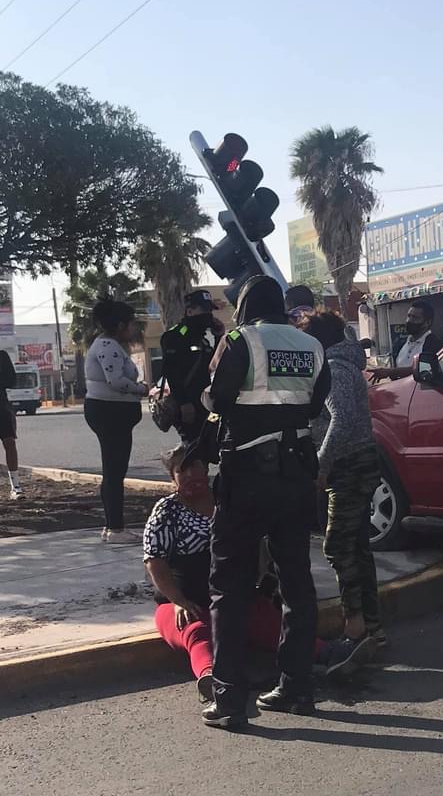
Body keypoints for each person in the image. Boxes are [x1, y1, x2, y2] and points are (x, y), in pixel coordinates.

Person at [199, 275, 330, 731]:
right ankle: (297, 687)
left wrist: (208, 397)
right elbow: (315, 406)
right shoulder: (310, 345)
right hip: (296, 474)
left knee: (229, 583)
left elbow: (217, 397)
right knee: (296, 580)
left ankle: (230, 699)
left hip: (248, 475)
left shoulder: (240, 340)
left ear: (244, 306)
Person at [144, 446, 334, 703]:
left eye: (195, 466)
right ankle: (212, 679)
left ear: (206, 467)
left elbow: (257, 542)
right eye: (182, 470)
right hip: (185, 603)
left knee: (270, 623)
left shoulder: (226, 500)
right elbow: (154, 561)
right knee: (195, 631)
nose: (191, 475)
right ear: (172, 478)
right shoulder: (166, 511)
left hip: (232, 597)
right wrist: (177, 600)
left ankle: (330, 655)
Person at [302, 310, 385, 667]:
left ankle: (355, 627)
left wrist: (321, 464)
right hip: (359, 462)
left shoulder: (334, 369)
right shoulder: (345, 364)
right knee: (357, 546)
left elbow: (343, 420)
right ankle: (371, 625)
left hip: (349, 466)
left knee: (337, 546)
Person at [84, 299, 148, 544]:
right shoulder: (108, 345)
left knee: (113, 470)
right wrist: (140, 389)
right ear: (120, 324)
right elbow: (116, 381)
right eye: (131, 323)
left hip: (111, 412)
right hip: (110, 412)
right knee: (114, 470)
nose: (134, 328)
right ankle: (115, 528)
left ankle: (112, 525)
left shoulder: (109, 345)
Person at [160, 290, 222, 442]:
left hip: (206, 404)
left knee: (207, 450)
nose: (209, 315)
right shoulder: (175, 336)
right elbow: (172, 372)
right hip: (188, 405)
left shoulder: (204, 340)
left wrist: (219, 336)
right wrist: (183, 403)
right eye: (204, 310)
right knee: (192, 453)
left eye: (210, 311)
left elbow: (215, 364)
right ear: (190, 311)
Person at [370, 301, 441, 382]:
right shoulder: (400, 343)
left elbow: (423, 369)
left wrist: (390, 372)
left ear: (427, 322)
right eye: (409, 316)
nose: (409, 321)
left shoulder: (433, 343)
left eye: (415, 317)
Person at [0, 349, 21, 499]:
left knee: (9, 442)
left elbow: (12, 380)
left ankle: (15, 486)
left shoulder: (2, 356)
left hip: (1, 405)